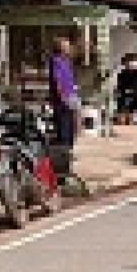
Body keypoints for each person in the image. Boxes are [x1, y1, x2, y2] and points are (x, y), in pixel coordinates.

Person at [48, 34, 83, 177]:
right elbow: (57, 81)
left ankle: (68, 152)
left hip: (71, 96)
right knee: (64, 128)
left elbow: (69, 79)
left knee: (73, 127)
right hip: (64, 99)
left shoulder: (67, 61)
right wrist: (62, 97)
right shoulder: (56, 61)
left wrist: (74, 89)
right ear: (60, 48)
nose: (69, 48)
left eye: (69, 45)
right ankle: (63, 157)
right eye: (66, 46)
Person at [114, 52, 137, 125]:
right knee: (123, 117)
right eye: (128, 62)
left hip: (134, 99)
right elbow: (119, 87)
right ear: (125, 63)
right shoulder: (121, 75)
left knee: (133, 118)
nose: (130, 64)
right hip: (124, 99)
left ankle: (132, 124)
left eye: (133, 61)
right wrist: (121, 92)